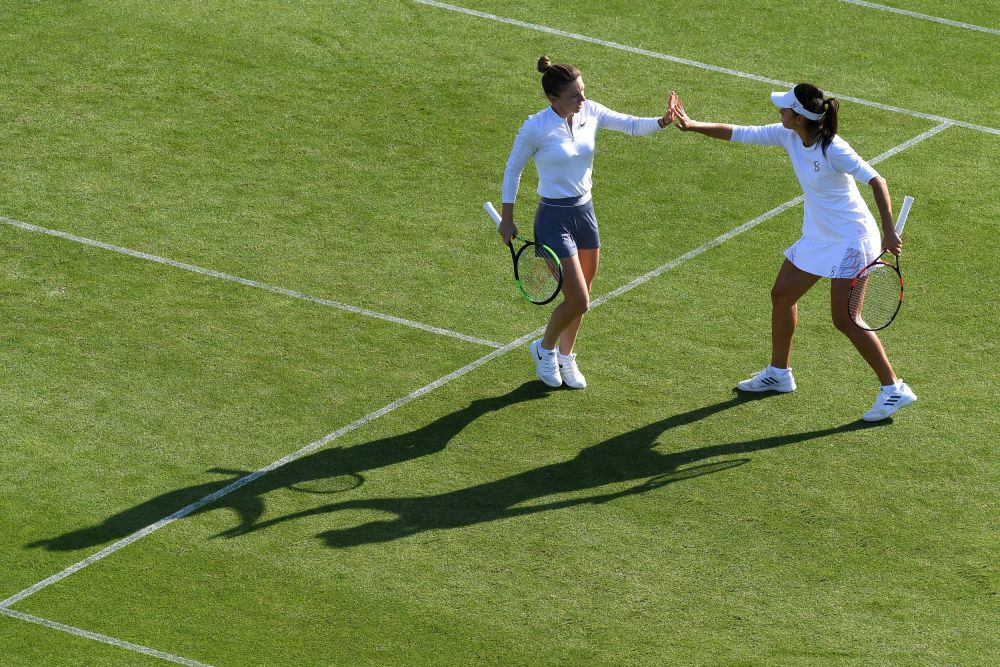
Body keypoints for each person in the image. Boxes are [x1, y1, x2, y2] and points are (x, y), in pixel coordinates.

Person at [670, 84, 916, 421]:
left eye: (785, 109)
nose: (779, 112)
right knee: (782, 295)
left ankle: (893, 388)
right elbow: (743, 133)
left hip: (851, 240)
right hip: (819, 235)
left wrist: (888, 231)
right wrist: (694, 125)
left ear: (799, 118)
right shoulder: (788, 135)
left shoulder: (834, 149)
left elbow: (877, 180)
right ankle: (779, 373)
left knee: (845, 319)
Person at [500, 55, 676, 389]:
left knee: (584, 293)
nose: (582, 99)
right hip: (553, 218)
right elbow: (513, 169)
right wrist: (507, 218)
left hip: (585, 214)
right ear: (554, 100)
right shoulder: (535, 127)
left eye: (583, 92)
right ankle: (544, 349)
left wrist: (663, 120)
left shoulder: (590, 111)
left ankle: (567, 357)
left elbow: (632, 125)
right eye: (574, 96)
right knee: (579, 299)